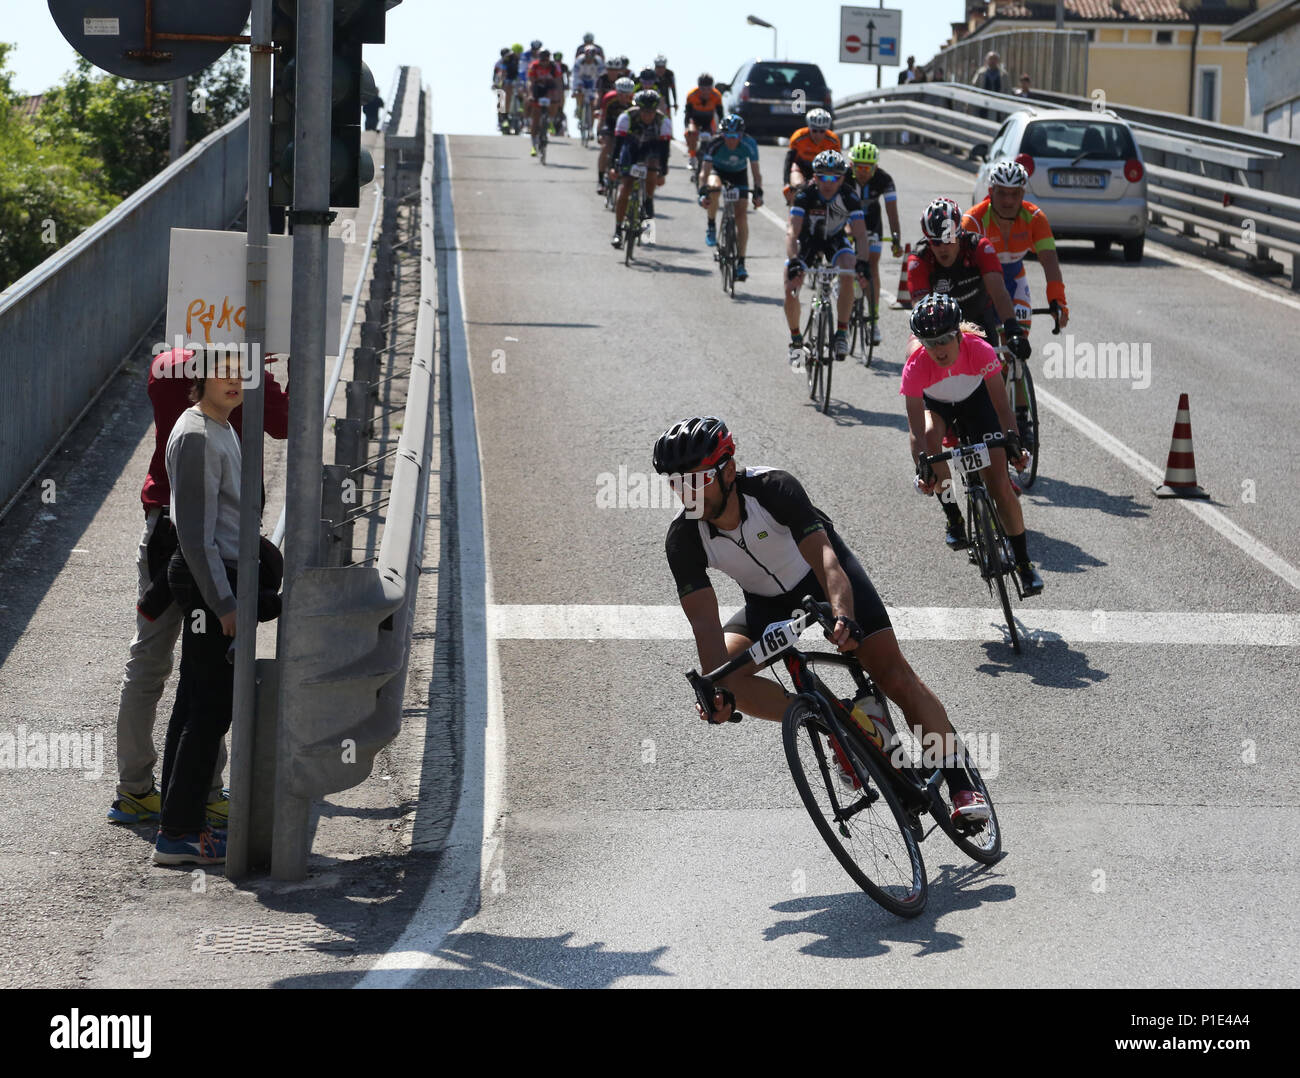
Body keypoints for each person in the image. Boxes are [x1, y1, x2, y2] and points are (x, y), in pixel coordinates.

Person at [654, 415, 991, 825]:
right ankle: (829, 723)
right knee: (726, 678)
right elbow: (705, 627)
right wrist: (716, 691)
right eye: (675, 483)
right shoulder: (683, 540)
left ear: (727, 469)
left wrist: (843, 616)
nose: (685, 493)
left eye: (695, 480)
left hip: (826, 583)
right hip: (766, 607)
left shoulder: (772, 488)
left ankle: (959, 780)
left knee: (892, 673)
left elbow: (826, 559)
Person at [108, 346, 288, 829]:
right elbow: (287, 423)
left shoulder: (163, 363)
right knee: (207, 669)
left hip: (159, 528)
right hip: (210, 541)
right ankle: (205, 794)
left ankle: (134, 790)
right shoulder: (245, 370)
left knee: (148, 659)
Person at [152, 350, 282, 865]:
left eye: (242, 371)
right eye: (223, 370)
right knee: (209, 709)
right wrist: (225, 603)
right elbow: (195, 536)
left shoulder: (221, 426)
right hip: (211, 582)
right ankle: (178, 833)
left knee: (195, 704)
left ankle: (179, 821)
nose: (234, 381)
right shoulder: (197, 436)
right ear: (200, 376)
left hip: (222, 576)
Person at [902, 295, 1044, 595]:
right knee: (930, 440)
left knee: (1000, 487)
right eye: (930, 342)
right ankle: (953, 516)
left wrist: (1013, 442)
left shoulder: (979, 349)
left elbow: (1002, 407)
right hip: (938, 406)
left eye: (944, 339)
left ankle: (1023, 563)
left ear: (957, 334)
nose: (938, 349)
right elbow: (915, 429)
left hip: (977, 404)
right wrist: (923, 466)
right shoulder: (915, 365)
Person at [783, 150, 872, 364]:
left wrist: (863, 263)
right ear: (814, 176)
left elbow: (860, 234)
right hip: (808, 241)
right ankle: (796, 339)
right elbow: (792, 233)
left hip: (834, 239)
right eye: (822, 176)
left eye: (834, 177)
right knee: (790, 283)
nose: (828, 182)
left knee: (849, 267)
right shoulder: (805, 194)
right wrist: (794, 260)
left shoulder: (849, 196)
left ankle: (841, 332)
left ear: (842, 178)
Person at [843, 141, 903, 345]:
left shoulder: (884, 179)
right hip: (847, 220)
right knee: (846, 260)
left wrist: (896, 238)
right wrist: (845, 230)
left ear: (875, 167)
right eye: (858, 166)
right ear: (851, 165)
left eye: (867, 168)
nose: (862, 172)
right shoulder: (843, 177)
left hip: (872, 223)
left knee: (872, 265)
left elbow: (892, 211)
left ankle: (873, 321)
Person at [697, 114, 764, 280]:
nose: (732, 140)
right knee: (713, 188)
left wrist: (758, 193)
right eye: (728, 135)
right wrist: (702, 193)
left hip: (739, 176)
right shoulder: (715, 143)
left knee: (741, 217)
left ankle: (741, 262)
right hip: (718, 172)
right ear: (722, 135)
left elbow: (756, 174)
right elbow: (704, 173)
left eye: (736, 136)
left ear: (742, 135)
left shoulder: (749, 144)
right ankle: (711, 225)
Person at [610, 88, 671, 246]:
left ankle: (648, 201)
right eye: (644, 111)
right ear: (638, 108)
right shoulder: (626, 117)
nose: (647, 115)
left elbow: (664, 150)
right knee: (626, 187)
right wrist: (614, 166)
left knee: (652, 171)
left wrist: (662, 171)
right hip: (631, 147)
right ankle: (617, 231)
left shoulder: (663, 121)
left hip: (652, 148)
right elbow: (618, 145)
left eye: (651, 112)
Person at [782, 109, 840, 205]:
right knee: (796, 189)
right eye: (814, 130)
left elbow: (838, 165)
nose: (818, 134)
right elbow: (789, 161)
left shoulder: (833, 140)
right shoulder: (799, 137)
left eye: (822, 131)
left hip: (823, 170)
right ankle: (794, 211)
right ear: (809, 127)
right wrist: (786, 183)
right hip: (801, 167)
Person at [596, 76, 636, 194]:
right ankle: (601, 180)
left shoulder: (634, 102)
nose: (624, 97)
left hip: (626, 128)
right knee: (606, 147)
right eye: (621, 94)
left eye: (627, 94)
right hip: (610, 125)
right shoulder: (609, 98)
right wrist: (599, 133)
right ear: (616, 92)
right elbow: (602, 118)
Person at [526, 48, 564, 153]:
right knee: (536, 117)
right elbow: (530, 82)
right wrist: (531, 95)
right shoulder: (533, 66)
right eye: (542, 60)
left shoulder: (554, 66)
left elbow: (559, 83)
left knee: (555, 100)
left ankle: (549, 120)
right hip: (537, 88)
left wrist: (559, 97)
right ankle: (534, 145)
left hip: (550, 88)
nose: (544, 63)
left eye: (546, 60)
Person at [683, 74, 725, 165]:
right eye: (703, 89)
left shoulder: (716, 95)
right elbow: (687, 115)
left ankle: (709, 158)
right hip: (695, 120)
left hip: (709, 121)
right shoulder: (691, 95)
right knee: (690, 133)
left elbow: (720, 114)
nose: (705, 92)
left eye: (708, 89)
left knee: (713, 138)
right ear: (698, 87)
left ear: (712, 87)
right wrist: (687, 127)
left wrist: (722, 129)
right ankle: (692, 156)